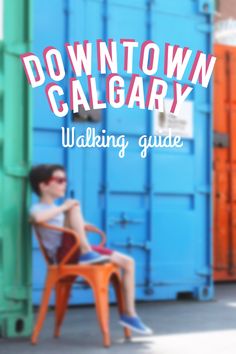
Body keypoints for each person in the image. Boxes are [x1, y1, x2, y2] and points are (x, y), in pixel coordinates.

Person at [28, 163, 153, 335]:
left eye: (65, 180)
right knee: (73, 205)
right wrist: (66, 208)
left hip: (75, 249)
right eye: (59, 180)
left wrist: (82, 223)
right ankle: (86, 253)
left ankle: (130, 315)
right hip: (64, 255)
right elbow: (36, 219)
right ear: (43, 185)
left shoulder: (59, 209)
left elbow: (68, 223)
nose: (64, 183)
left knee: (128, 262)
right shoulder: (39, 208)